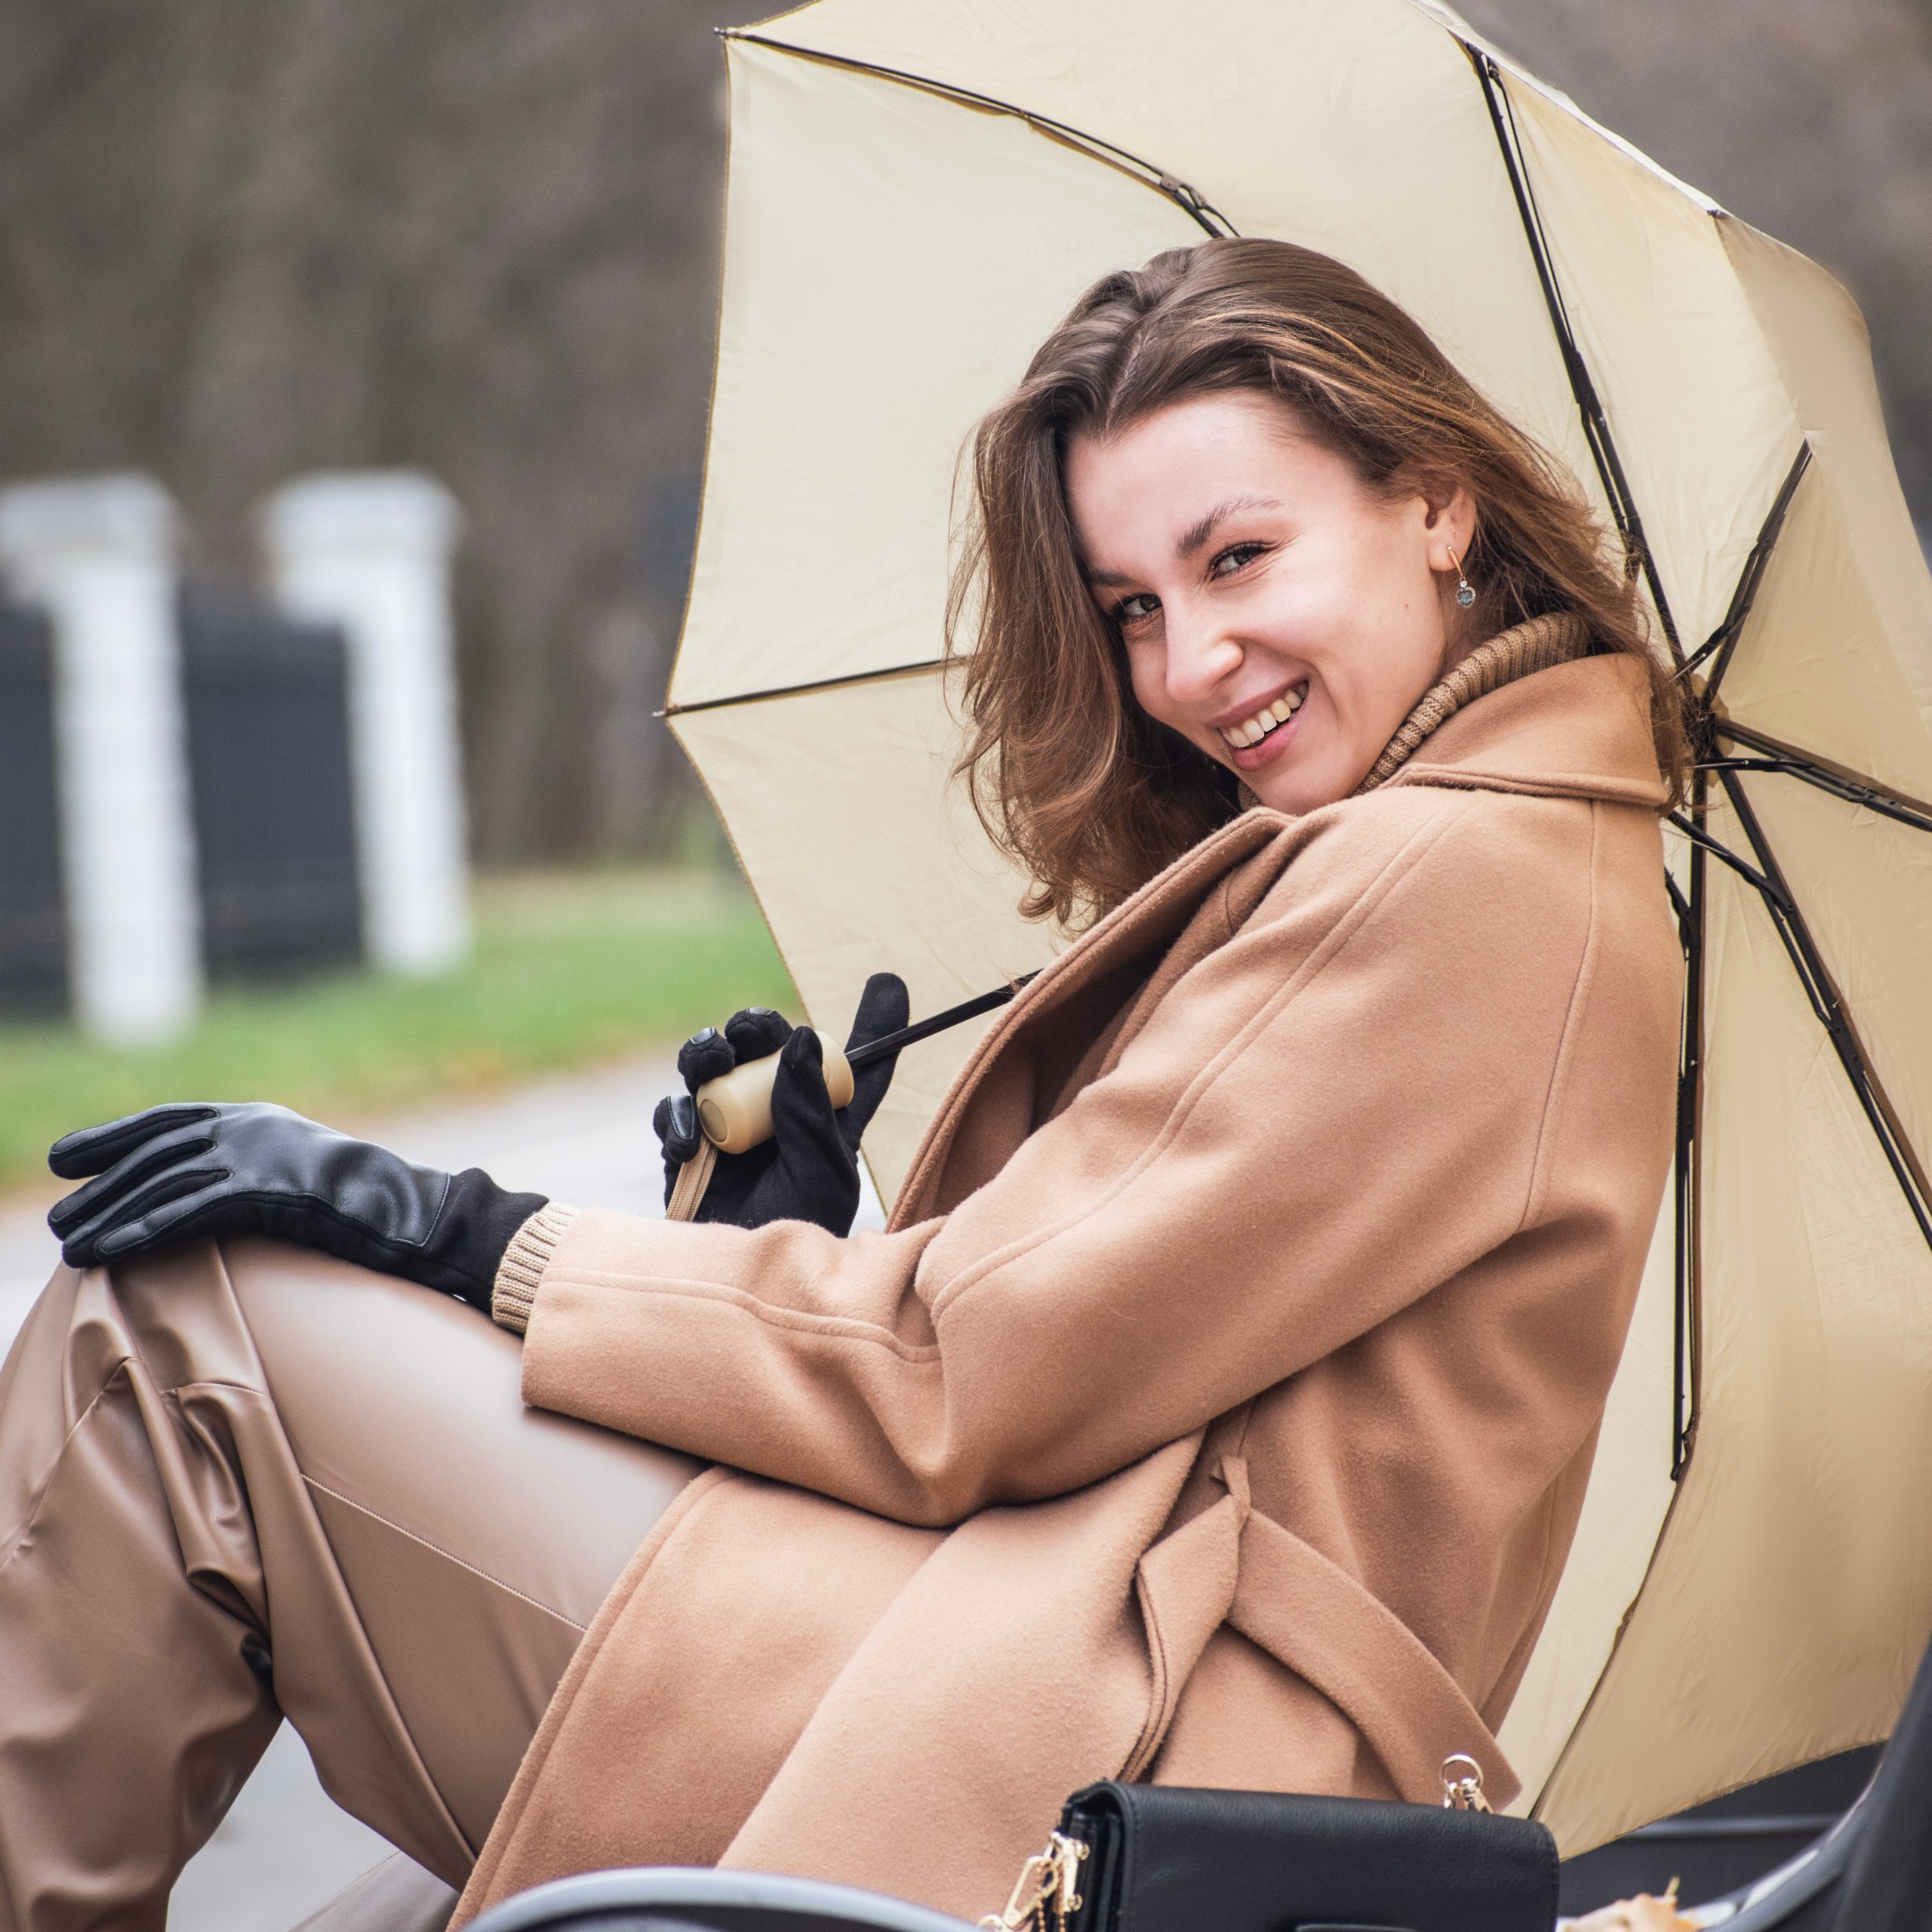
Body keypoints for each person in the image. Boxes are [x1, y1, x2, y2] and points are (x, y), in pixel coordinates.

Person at [0, 238, 1685, 1932]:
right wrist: (780, 1225)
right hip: (1055, 1681)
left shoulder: (1452, 871)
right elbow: (1130, 1342)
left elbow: (968, 1368)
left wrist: (459, 1227)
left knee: (169, 1327)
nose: (1186, 665)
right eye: (1134, 609)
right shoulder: (1515, 854)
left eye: (1238, 556)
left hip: (1084, 1758)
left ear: (1438, 507)